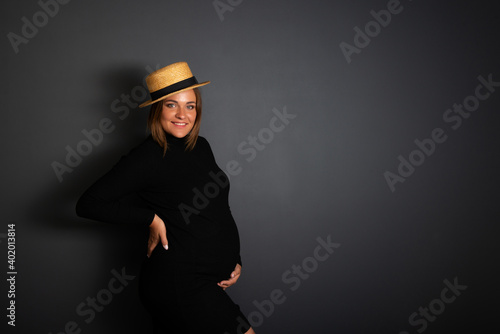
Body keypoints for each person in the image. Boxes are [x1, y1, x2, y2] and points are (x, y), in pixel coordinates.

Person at [76, 62, 255, 334]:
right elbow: (88, 204)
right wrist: (150, 219)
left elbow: (217, 209)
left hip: (205, 279)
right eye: (172, 105)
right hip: (179, 284)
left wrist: (234, 257)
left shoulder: (201, 147)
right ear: (157, 109)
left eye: (190, 106)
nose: (182, 114)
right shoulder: (147, 157)